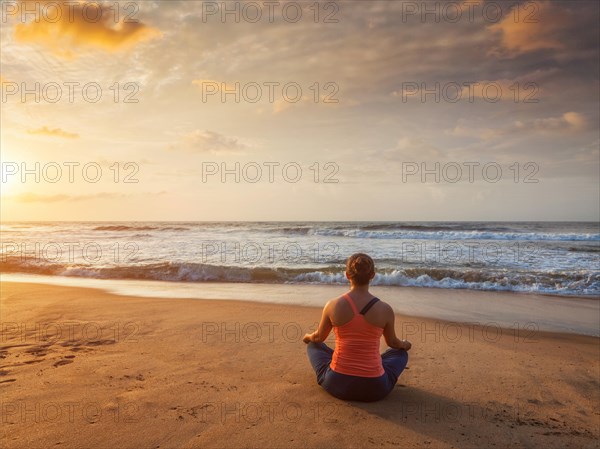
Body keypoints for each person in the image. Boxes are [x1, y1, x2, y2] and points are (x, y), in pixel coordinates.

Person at [303, 253, 411, 402]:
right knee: (400, 353)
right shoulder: (385, 309)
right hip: (375, 389)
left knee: (313, 346)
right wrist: (405, 344)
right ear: (372, 275)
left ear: (347, 275)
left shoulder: (333, 305)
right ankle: (371, 365)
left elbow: (318, 337)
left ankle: (344, 366)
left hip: (337, 383)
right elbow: (393, 343)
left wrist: (307, 337)